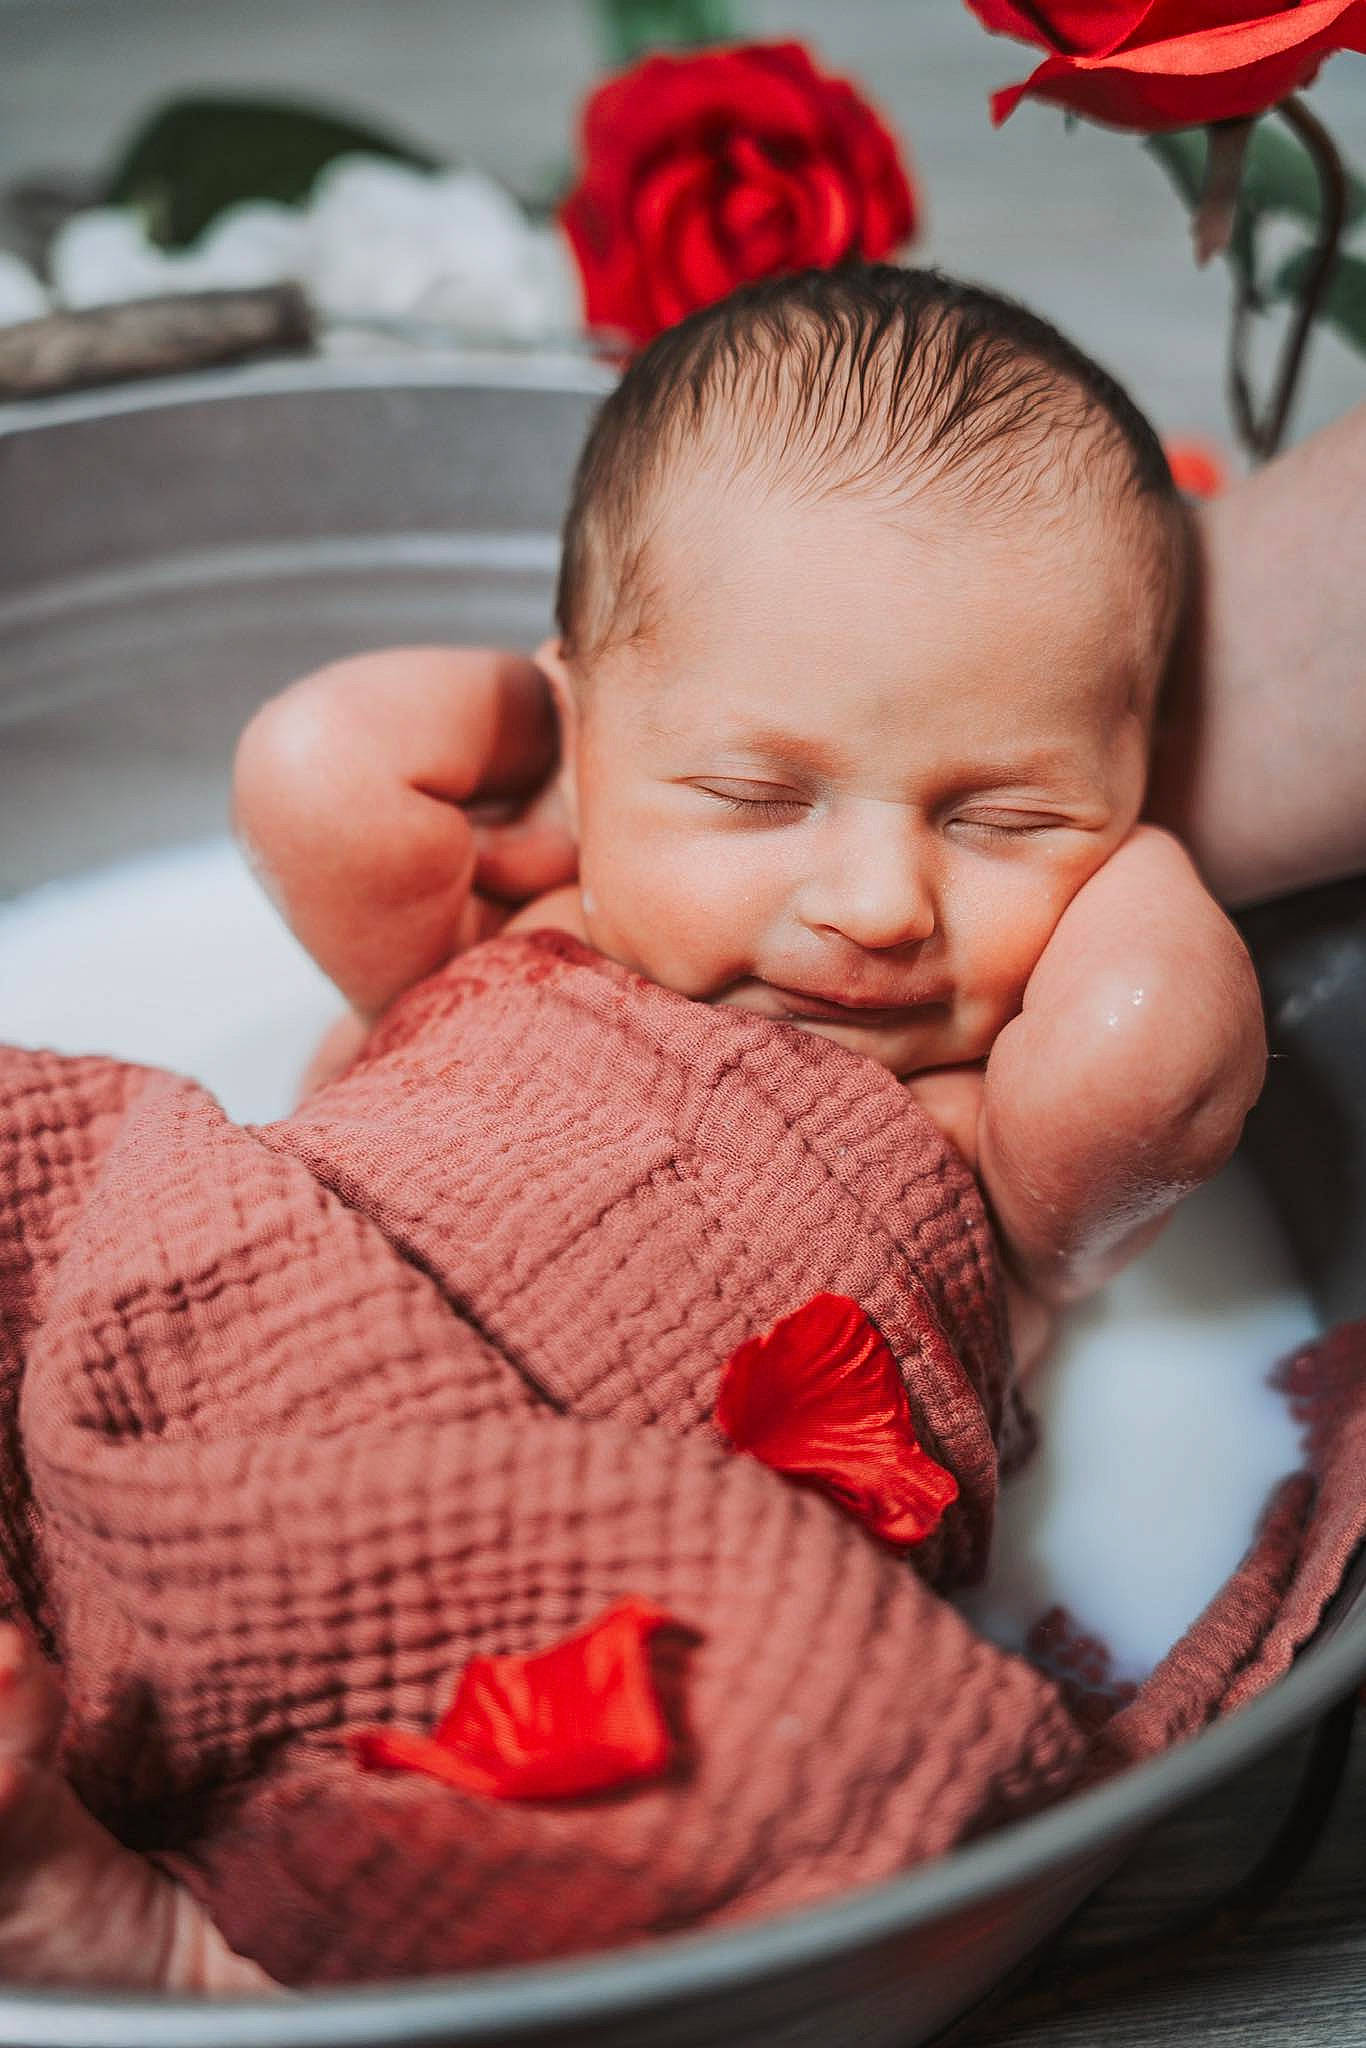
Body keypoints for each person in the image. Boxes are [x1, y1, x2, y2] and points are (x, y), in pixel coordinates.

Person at [1, 280, 1361, 1995]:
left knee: (825, 1729)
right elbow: (320, 756)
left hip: (533, 1598)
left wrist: (1130, 834)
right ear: (581, 739)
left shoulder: (989, 1138)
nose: (874, 904)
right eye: (754, 793)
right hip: (176, 1349)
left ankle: (182, 1946)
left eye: (1003, 815)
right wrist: (588, 778)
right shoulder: (492, 927)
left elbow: (1149, 1049)